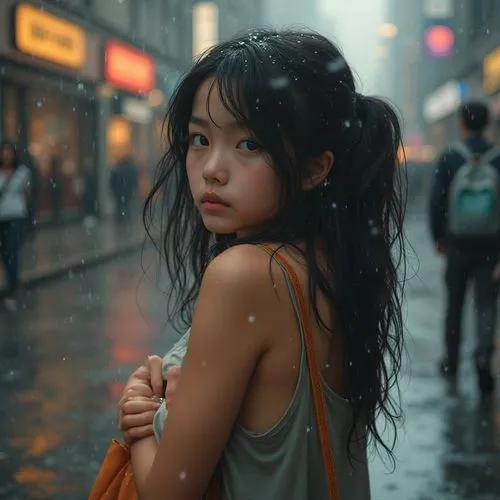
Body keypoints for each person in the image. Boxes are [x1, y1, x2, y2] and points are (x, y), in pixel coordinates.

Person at [116, 29, 406, 499]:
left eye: (248, 144)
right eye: (199, 139)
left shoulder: (244, 275)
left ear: (316, 167)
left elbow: (167, 493)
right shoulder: (332, 263)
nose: (212, 167)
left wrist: (143, 420)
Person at [430, 100, 500, 396]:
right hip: (490, 244)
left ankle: (452, 361)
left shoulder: (450, 157)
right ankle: (483, 357)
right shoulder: (497, 158)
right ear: (487, 124)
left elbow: (437, 201)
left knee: (454, 305)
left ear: (461, 123)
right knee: (486, 303)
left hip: (457, 243)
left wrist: (439, 237)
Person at [0, 141, 31, 312]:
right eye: (3, 152)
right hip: (1, 217)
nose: (6, 156)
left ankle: (12, 287)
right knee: (5, 252)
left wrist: (28, 219)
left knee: (12, 250)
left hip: (16, 216)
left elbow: (27, 195)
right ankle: (12, 282)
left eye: (9, 152)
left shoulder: (22, 173)